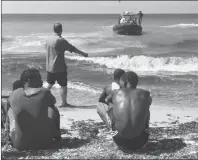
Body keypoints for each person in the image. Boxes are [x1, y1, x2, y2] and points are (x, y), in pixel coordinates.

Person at [3, 68, 61, 150]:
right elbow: (52, 104)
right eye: (39, 79)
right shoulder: (45, 92)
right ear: (29, 80)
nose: (41, 81)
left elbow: (8, 105)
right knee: (53, 109)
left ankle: (7, 137)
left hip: (20, 145)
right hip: (45, 143)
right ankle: (57, 136)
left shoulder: (14, 93)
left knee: (9, 110)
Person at [44, 23, 88, 107]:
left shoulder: (48, 39)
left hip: (49, 67)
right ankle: (64, 103)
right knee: (63, 85)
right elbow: (73, 49)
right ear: (61, 30)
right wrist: (83, 53)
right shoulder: (61, 40)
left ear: (53, 30)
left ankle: (40, 99)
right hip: (59, 67)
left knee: (49, 84)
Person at [105, 71, 152, 151]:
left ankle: (114, 129)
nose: (120, 84)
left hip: (119, 140)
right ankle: (144, 129)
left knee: (110, 107)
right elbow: (149, 102)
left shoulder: (115, 92)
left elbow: (106, 100)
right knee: (146, 107)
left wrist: (117, 104)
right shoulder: (145, 93)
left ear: (126, 82)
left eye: (120, 82)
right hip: (141, 141)